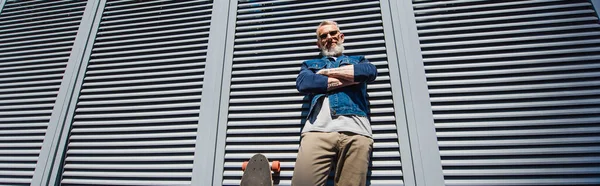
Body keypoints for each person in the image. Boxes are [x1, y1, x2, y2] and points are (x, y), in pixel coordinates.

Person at [292, 20, 377, 186]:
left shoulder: (358, 59)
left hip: (357, 132)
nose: (329, 38)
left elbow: (369, 72)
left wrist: (324, 74)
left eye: (333, 33)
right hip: (317, 131)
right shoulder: (309, 65)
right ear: (319, 43)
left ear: (341, 37)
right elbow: (304, 83)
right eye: (323, 36)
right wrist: (351, 78)